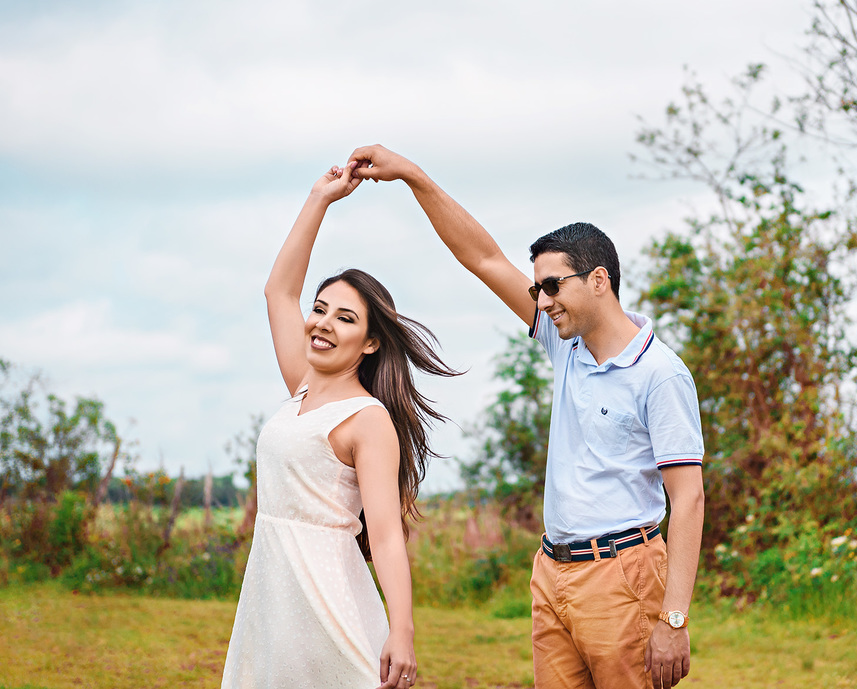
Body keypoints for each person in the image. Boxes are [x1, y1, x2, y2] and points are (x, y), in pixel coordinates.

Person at [349, 145, 705, 689]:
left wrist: (673, 619)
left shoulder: (661, 374)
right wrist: (412, 176)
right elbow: (484, 258)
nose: (541, 299)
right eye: (537, 288)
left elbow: (689, 498)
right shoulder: (566, 345)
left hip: (624, 577)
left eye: (553, 286)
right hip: (552, 573)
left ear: (599, 280)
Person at [221, 163, 459, 689]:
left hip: (331, 602)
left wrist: (403, 630)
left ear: (371, 342)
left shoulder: (368, 420)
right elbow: (278, 293)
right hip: (272, 597)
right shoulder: (301, 388)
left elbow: (388, 535)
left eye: (345, 318)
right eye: (321, 309)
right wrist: (319, 198)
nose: (323, 323)